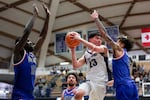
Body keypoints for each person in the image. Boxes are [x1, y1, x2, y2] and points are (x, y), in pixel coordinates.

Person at [91, 10, 139, 100]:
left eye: (118, 41)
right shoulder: (127, 56)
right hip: (132, 86)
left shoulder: (119, 50)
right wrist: (115, 81)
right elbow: (125, 74)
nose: (116, 42)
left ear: (122, 44)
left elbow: (105, 35)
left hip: (123, 87)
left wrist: (96, 19)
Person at [12, 3, 50, 100]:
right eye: (28, 41)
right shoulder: (18, 54)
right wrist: (34, 16)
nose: (31, 42)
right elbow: (26, 33)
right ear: (21, 44)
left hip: (30, 95)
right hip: (19, 94)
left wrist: (48, 17)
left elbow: (43, 36)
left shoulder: (32, 54)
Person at [68, 30, 112, 100]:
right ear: (90, 40)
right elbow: (75, 66)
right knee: (78, 94)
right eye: (97, 38)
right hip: (89, 81)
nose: (99, 40)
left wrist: (79, 39)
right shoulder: (87, 54)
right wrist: (73, 49)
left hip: (100, 83)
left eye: (100, 39)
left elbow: (95, 48)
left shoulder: (104, 48)